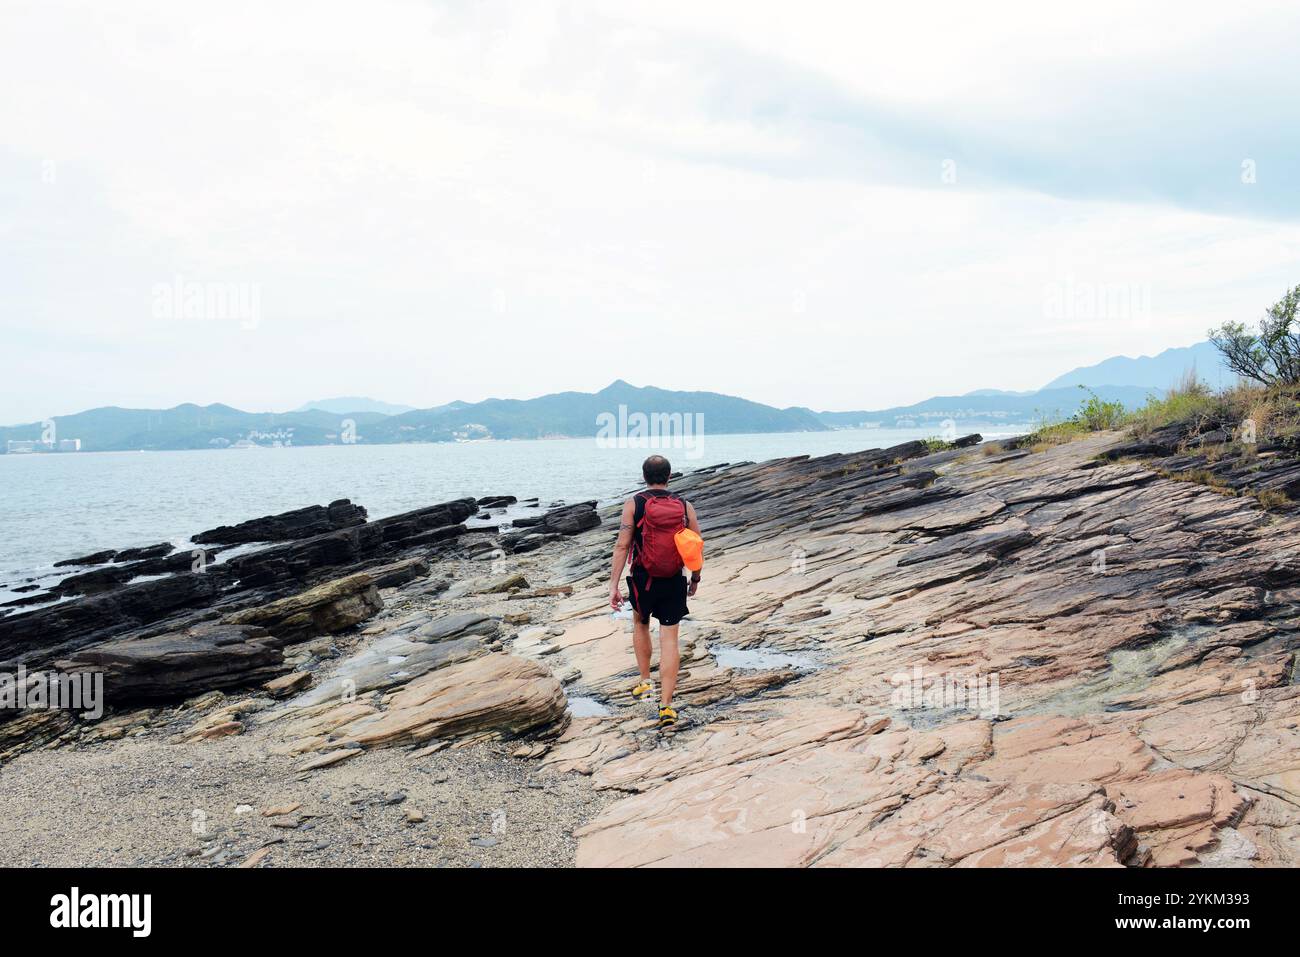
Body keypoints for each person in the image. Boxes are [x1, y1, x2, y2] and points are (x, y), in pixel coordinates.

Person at [608, 454, 701, 728]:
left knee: (640, 623)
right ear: (669, 476)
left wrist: (613, 585)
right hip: (673, 579)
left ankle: (645, 682)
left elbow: (622, 546)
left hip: (642, 578)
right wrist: (695, 577)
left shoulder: (634, 503)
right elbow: (695, 544)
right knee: (670, 639)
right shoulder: (684, 505)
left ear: (645, 476)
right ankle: (667, 707)